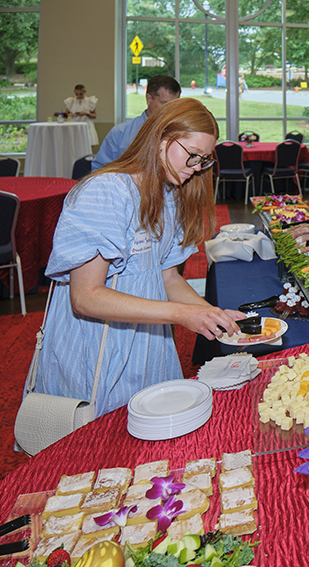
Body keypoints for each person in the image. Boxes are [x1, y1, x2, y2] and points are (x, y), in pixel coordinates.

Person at [27, 98, 244, 418]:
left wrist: (210, 315)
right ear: (160, 139)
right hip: (98, 344)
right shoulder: (106, 192)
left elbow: (168, 278)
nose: (197, 167)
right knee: (93, 447)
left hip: (146, 341)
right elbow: (86, 297)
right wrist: (182, 314)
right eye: (192, 156)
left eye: (204, 160)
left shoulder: (170, 196)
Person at [91, 75, 181, 171]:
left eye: (175, 105)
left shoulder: (181, 134)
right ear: (149, 99)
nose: (171, 110)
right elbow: (99, 171)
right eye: (165, 103)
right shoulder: (120, 133)